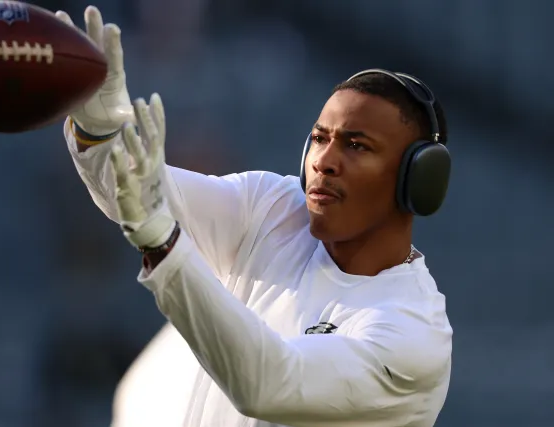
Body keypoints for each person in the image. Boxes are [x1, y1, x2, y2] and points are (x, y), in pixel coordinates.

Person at [56, 6, 453, 427]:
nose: (324, 161)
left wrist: (164, 245)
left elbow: (270, 385)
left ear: (418, 178)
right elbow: (137, 193)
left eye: (357, 146)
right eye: (320, 139)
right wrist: (100, 134)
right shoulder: (274, 207)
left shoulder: (412, 331)